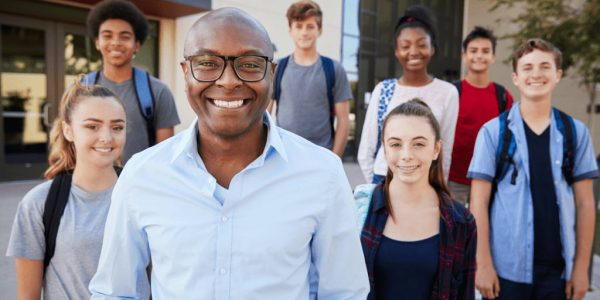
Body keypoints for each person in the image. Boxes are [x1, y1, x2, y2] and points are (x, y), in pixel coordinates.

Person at [88, 7, 369, 299]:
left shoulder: (322, 174)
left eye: (249, 64)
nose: (228, 81)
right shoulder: (142, 175)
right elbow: (115, 292)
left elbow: (344, 293)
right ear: (186, 73)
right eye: (208, 63)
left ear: (271, 74)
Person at [469, 39, 598, 300]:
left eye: (544, 66)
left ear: (557, 74)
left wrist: (582, 269)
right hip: (507, 272)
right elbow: (478, 202)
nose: (536, 74)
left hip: (559, 273)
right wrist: (483, 265)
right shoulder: (494, 133)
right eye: (527, 68)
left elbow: (586, 204)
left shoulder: (576, 133)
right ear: (516, 77)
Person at [6, 81, 148, 299]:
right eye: (92, 126)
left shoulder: (144, 195)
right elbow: (27, 296)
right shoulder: (39, 204)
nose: (107, 137)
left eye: (117, 127)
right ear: (68, 130)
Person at [355, 99, 476, 299]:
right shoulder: (357, 209)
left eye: (419, 144)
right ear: (384, 149)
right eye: (395, 144)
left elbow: (465, 294)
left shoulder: (460, 221)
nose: (406, 155)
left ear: (436, 149)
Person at [357, 5, 459, 184]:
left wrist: (439, 187)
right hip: (384, 178)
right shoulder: (384, 90)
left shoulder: (448, 92)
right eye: (405, 46)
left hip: (427, 181)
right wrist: (376, 188)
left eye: (421, 45)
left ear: (432, 48)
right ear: (397, 51)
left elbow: (446, 149)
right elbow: (366, 148)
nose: (413, 52)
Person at [87, 0, 180, 162]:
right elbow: (68, 145)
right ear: (97, 42)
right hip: (90, 184)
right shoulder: (82, 88)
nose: (115, 42)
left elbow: (166, 156)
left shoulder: (158, 92)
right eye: (107, 36)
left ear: (137, 45)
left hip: (141, 185)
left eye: (125, 36)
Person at [271, 0, 352, 157]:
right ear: (290, 30)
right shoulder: (277, 68)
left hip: (321, 155)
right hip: (283, 155)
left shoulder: (334, 69)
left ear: (319, 30)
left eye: (310, 26)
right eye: (298, 26)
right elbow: (264, 114)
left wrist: (333, 160)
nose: (304, 32)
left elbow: (343, 121)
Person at [448, 26, 514, 204]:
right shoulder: (452, 92)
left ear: (493, 57)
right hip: (454, 180)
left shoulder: (503, 96)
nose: (479, 56)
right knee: (454, 230)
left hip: (489, 179)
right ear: (464, 56)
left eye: (485, 51)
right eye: (473, 51)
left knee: (485, 230)